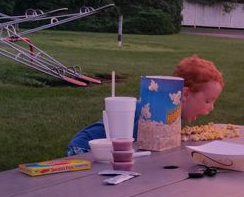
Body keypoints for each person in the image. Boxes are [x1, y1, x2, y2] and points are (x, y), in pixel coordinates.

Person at [66, 55, 224, 156]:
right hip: (86, 149)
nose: (211, 108)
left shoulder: (172, 115)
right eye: (208, 101)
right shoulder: (155, 115)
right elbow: (136, 146)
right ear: (186, 94)